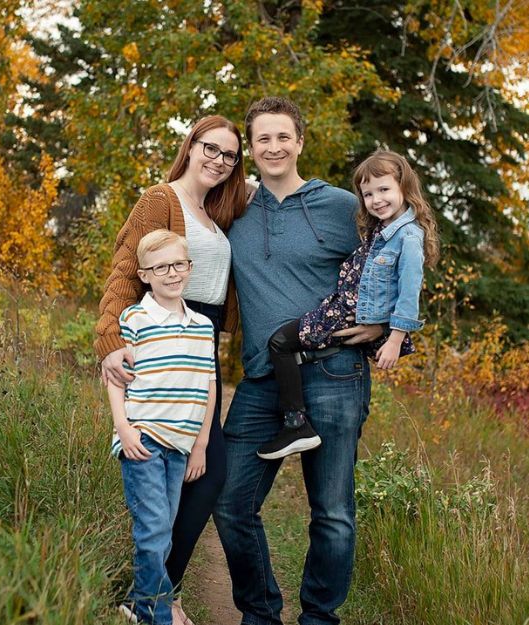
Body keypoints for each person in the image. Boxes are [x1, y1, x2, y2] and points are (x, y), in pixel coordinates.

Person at [215, 96, 384, 625]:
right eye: (262, 138)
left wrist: (385, 327)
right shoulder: (234, 207)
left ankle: (319, 618)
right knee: (230, 503)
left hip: (335, 372)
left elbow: (394, 258)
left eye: (283, 136)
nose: (273, 147)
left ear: (300, 142)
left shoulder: (340, 206)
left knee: (331, 514)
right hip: (264, 379)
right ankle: (261, 612)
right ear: (250, 148)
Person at [95, 115, 247, 625]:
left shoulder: (215, 214)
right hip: (159, 331)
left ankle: (155, 593)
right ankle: (158, 597)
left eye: (229, 155)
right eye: (211, 148)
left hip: (198, 337)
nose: (218, 160)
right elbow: (124, 268)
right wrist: (110, 340)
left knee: (202, 467)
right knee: (200, 473)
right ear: (191, 146)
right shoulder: (161, 199)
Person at [256, 149, 440, 460]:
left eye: (384, 190)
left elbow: (409, 294)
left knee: (280, 343)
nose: (376, 199)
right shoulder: (380, 229)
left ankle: (295, 424)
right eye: (368, 194)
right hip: (342, 308)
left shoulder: (407, 237)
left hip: (346, 314)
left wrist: (394, 339)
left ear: (404, 189)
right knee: (290, 345)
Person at [107, 230, 218, 624]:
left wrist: (201, 445)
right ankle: (159, 617)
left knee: (163, 533)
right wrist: (123, 427)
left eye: (179, 264)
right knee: (153, 529)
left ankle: (136, 606)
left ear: (189, 267)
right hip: (144, 438)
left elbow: (209, 385)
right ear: (145, 274)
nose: (172, 273)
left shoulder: (203, 326)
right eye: (161, 267)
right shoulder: (134, 318)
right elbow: (116, 378)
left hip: (181, 444)